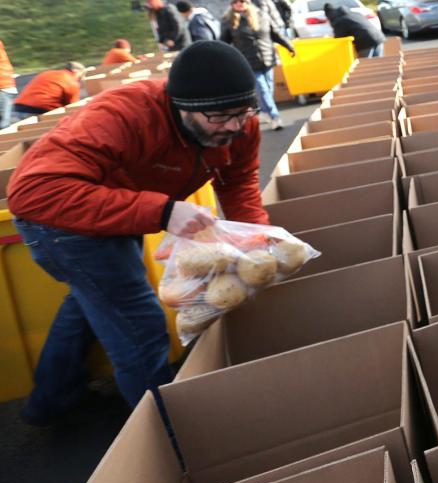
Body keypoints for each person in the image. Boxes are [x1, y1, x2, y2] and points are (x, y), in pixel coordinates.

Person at [8, 41, 269, 425]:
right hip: (59, 221)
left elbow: (238, 181)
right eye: (219, 117)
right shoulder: (123, 115)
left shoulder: (239, 126)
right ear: (183, 107)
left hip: (119, 210)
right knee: (139, 324)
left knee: (93, 299)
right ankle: (170, 435)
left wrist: (257, 240)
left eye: (243, 113)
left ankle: (52, 400)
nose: (233, 125)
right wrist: (161, 210)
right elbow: (32, 192)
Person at [220, 0, 294, 130]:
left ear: (247, 1)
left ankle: (265, 110)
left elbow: (275, 34)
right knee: (262, 90)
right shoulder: (228, 21)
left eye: (241, 0)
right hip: (248, 63)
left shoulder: (262, 15)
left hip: (267, 59)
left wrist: (289, 46)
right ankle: (275, 117)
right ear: (231, 4)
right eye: (235, 2)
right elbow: (223, 43)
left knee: (268, 89)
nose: (239, 4)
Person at [9, 62, 85, 122]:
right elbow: (73, 106)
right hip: (40, 110)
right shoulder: (71, 81)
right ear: (76, 72)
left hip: (19, 107)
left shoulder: (47, 73)